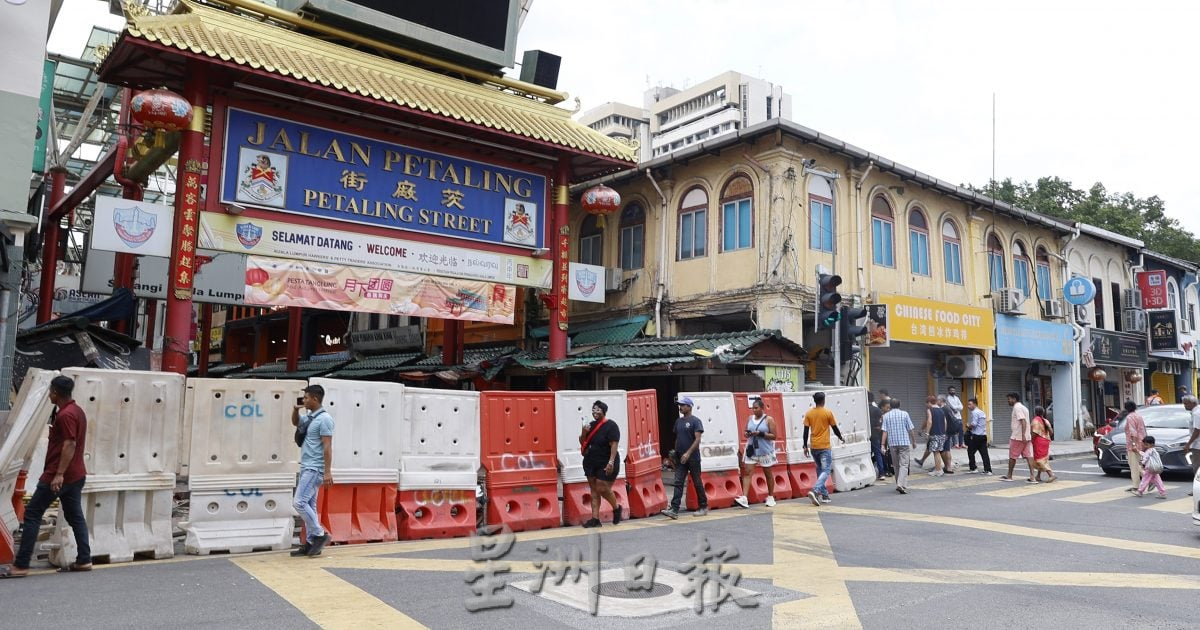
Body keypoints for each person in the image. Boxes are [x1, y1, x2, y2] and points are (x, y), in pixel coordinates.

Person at [1, 376, 91, 578]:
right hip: (77, 474)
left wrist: (58, 474)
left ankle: (21, 565)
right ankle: (84, 559)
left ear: (56, 393)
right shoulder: (77, 411)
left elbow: (70, 444)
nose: (49, 394)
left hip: (58, 476)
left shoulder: (66, 415)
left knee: (32, 513)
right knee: (75, 517)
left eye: (51, 391)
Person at [291, 384, 334, 557]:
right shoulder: (310, 418)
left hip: (314, 468)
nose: (304, 400)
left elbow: (327, 446)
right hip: (307, 466)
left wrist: (328, 471)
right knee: (309, 505)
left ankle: (319, 534)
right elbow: (296, 422)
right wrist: (295, 410)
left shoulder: (324, 419)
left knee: (299, 502)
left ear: (315, 399)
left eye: (307, 398)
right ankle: (309, 543)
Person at [663, 397, 708, 519]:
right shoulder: (678, 422)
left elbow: (697, 439)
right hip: (680, 458)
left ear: (689, 406)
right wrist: (675, 452)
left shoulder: (695, 421)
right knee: (678, 482)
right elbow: (678, 438)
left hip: (692, 457)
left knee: (697, 482)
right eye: (680, 405)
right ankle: (674, 509)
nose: (680, 407)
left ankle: (703, 506)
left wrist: (688, 453)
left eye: (683, 405)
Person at [579, 400, 622, 527]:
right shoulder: (590, 425)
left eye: (597, 409)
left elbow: (614, 444)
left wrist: (611, 462)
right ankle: (595, 519)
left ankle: (616, 508)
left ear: (603, 411)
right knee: (594, 490)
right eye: (593, 409)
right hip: (591, 461)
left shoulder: (611, 425)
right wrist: (584, 432)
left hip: (606, 461)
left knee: (602, 487)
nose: (594, 412)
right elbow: (582, 442)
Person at [735, 397, 778, 508]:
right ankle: (744, 498)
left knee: (767, 474)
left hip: (765, 451)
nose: (754, 410)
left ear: (762, 408)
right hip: (752, 450)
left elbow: (774, 436)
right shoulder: (750, 418)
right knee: (747, 472)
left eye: (756, 408)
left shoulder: (769, 420)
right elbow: (745, 432)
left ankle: (771, 496)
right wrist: (747, 434)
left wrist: (760, 434)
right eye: (753, 408)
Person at [804, 391, 845, 506]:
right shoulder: (828, 413)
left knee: (819, 470)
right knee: (826, 470)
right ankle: (816, 490)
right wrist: (841, 437)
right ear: (823, 401)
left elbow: (805, 431)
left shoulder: (809, 413)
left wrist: (804, 445)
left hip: (814, 447)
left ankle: (825, 495)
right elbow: (834, 428)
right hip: (824, 446)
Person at [880, 398, 919, 494]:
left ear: (890, 405)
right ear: (899, 405)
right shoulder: (905, 414)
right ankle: (900, 485)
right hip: (904, 443)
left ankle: (899, 483)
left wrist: (882, 445)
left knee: (896, 465)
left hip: (892, 444)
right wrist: (914, 441)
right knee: (904, 465)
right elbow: (910, 429)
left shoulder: (886, 416)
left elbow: (885, 431)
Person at [1000, 393, 1036, 483]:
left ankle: (1009, 476)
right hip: (1026, 437)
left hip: (1018, 436)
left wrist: (1022, 435)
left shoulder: (1017, 408)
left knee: (1012, 456)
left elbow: (1023, 421)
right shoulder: (1024, 407)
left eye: (1009, 399)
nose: (1008, 401)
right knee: (1029, 456)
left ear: (1014, 399)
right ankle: (1033, 477)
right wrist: (1026, 435)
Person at [919, 396, 952, 476]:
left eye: (927, 403)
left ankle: (938, 470)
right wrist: (944, 432)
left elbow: (929, 421)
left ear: (929, 402)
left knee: (936, 452)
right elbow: (945, 422)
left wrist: (927, 433)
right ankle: (939, 469)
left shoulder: (930, 410)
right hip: (941, 434)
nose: (926, 405)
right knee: (938, 451)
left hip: (934, 434)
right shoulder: (941, 410)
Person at [1122, 400, 1146, 493]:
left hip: (1133, 444)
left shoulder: (1130, 417)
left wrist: (1133, 444)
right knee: (1137, 464)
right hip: (1141, 442)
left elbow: (1133, 432)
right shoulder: (1138, 416)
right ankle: (1147, 480)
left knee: (1133, 465)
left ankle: (1138, 485)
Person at [964, 398, 993, 475]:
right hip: (983, 436)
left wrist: (968, 426)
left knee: (970, 451)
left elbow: (974, 424)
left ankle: (973, 468)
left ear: (974, 404)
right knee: (984, 453)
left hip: (976, 436)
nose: (968, 406)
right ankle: (988, 470)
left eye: (970, 404)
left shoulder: (974, 412)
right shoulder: (981, 412)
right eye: (968, 404)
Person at [868, 391, 891, 480]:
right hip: (875, 435)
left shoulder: (863, 408)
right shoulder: (877, 409)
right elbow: (882, 421)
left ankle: (869, 473)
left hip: (865, 436)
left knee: (868, 454)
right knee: (878, 454)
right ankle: (882, 473)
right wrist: (879, 427)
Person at [1030, 406, 1057, 483]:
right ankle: (1038, 476)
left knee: (1039, 459)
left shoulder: (1035, 421)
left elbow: (1034, 433)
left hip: (1038, 441)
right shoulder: (1046, 421)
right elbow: (1051, 432)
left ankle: (1051, 474)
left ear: (1035, 412)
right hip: (1046, 441)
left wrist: (1031, 440)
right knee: (1043, 458)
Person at [1182, 395, 1200, 496]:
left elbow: (1197, 430)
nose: (1184, 405)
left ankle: (1197, 490)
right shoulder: (1196, 412)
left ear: (1193, 403)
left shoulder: (1197, 413)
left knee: (1197, 468)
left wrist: (1188, 444)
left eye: (1186, 403)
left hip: (1198, 445)